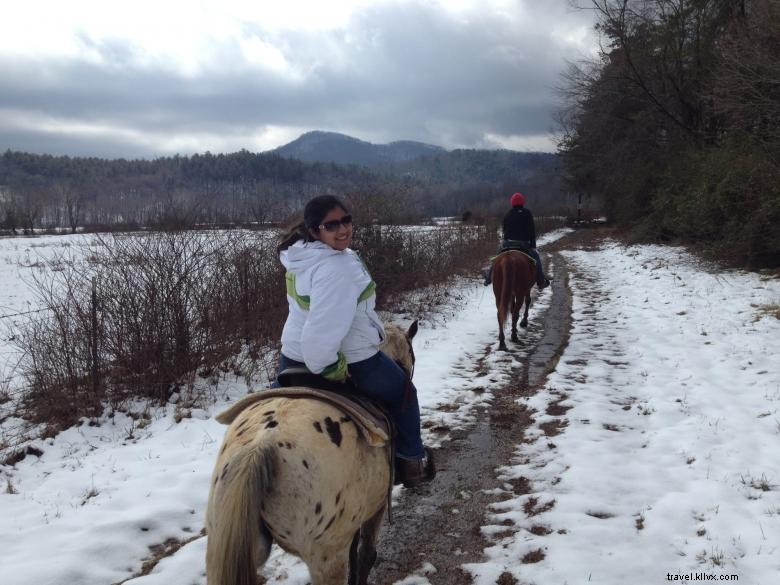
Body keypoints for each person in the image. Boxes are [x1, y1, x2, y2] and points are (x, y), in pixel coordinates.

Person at [273, 195, 434, 488]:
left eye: (346, 220)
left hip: (291, 357)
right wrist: (332, 367)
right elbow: (320, 337)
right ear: (314, 230)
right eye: (331, 225)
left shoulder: (300, 256)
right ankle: (412, 462)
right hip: (347, 357)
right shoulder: (337, 268)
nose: (343, 229)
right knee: (404, 394)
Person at [483, 192, 550, 289]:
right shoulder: (527, 213)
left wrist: (505, 243)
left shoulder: (508, 214)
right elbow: (531, 231)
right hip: (523, 245)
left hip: (508, 243)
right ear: (523, 202)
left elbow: (505, 230)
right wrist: (533, 246)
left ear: (512, 203)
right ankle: (540, 281)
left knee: (497, 258)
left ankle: (488, 278)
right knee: (536, 258)